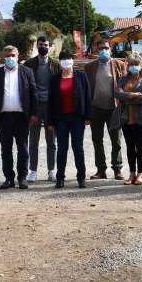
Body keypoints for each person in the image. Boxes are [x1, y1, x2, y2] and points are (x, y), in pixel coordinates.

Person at [0, 45, 38, 190]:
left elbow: (33, 93)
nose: (10, 58)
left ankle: (22, 178)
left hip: (22, 117)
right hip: (4, 117)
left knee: (23, 149)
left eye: (13, 55)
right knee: (6, 149)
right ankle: (9, 178)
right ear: (3, 57)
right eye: (7, 56)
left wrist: (34, 113)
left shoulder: (27, 72)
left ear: (17, 56)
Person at [46, 49, 92, 188]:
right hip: (60, 118)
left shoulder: (81, 76)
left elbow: (87, 96)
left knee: (78, 148)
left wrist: (88, 116)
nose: (67, 61)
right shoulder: (55, 79)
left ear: (73, 60)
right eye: (64, 59)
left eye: (69, 58)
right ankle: (60, 178)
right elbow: (50, 101)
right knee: (62, 149)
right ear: (60, 61)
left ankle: (81, 177)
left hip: (78, 118)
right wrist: (50, 121)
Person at [83, 39, 127, 180]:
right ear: (97, 50)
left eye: (106, 48)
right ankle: (101, 170)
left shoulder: (119, 65)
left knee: (116, 140)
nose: (104, 50)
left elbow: (125, 85)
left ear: (110, 50)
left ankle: (117, 169)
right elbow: (85, 88)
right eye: (101, 48)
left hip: (114, 109)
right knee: (97, 140)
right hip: (95, 108)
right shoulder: (90, 66)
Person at [23, 36, 61, 182]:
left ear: (49, 46)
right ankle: (33, 170)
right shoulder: (29, 64)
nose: (43, 47)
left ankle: (51, 170)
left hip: (51, 106)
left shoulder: (55, 64)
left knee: (51, 140)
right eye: (40, 44)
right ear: (36, 46)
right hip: (35, 106)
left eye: (45, 45)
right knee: (33, 139)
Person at [114, 54, 142, 186]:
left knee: (140, 146)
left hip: (139, 118)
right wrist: (132, 95)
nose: (134, 66)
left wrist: (126, 98)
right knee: (129, 146)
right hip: (125, 118)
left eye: (136, 64)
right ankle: (132, 173)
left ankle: (140, 173)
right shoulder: (123, 79)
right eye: (131, 64)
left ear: (141, 66)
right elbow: (116, 94)